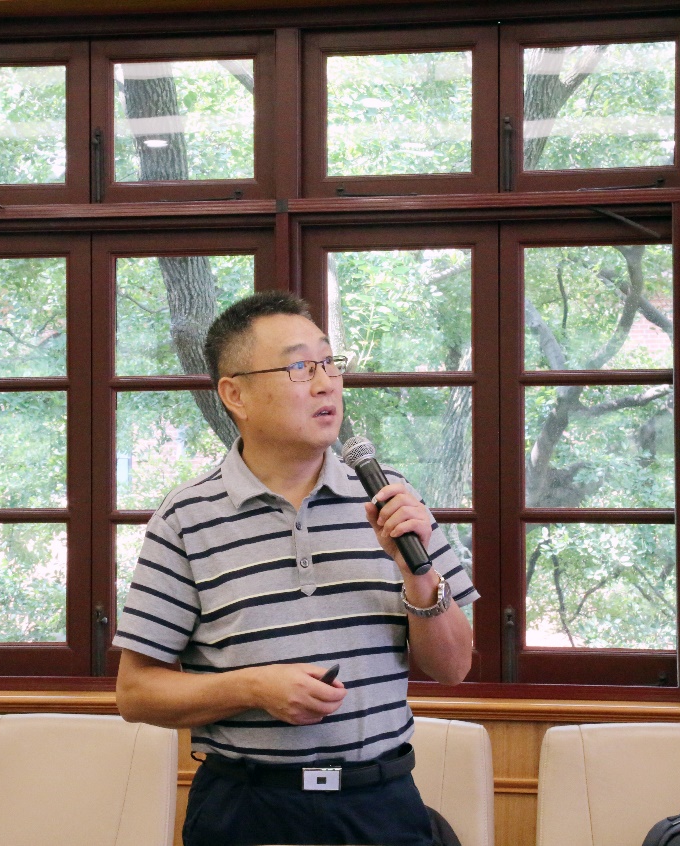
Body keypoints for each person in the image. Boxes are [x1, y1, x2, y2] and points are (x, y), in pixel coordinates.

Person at [113, 291, 479, 846]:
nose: (327, 383)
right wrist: (253, 687)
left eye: (330, 363)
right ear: (235, 394)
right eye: (300, 367)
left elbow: (453, 667)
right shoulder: (186, 517)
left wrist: (418, 574)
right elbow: (136, 693)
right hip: (246, 811)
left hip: (380, 807)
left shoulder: (391, 498)